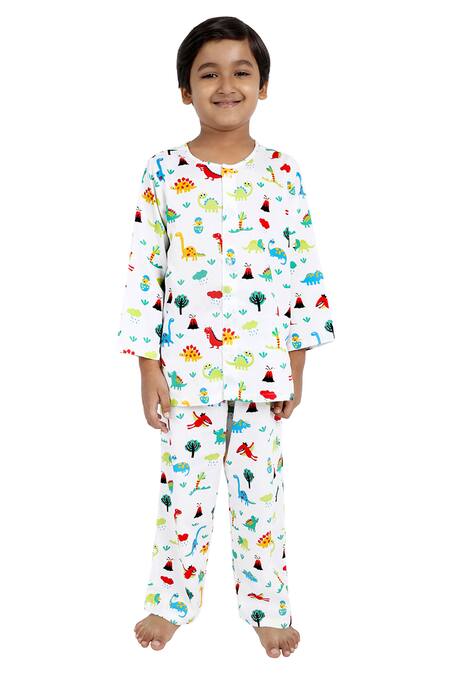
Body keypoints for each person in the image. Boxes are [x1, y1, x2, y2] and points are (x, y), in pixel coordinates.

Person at [117, 16, 335, 659]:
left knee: (261, 495)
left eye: (242, 71)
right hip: (186, 370)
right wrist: (147, 367)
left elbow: (300, 270)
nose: (226, 85)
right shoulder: (164, 172)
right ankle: (170, 602)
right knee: (183, 493)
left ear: (263, 85)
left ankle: (268, 607)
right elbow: (145, 271)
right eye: (208, 73)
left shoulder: (282, 173)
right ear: (185, 90)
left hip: (263, 368)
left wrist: (297, 365)